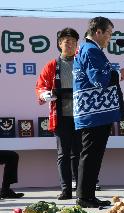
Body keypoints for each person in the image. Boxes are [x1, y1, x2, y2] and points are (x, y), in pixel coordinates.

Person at [73, 17, 124, 208]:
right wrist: (120, 74)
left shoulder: (90, 49)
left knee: (93, 155)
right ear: (97, 32)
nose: (110, 38)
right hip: (93, 113)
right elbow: (99, 79)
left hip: (96, 112)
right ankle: (84, 197)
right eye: (108, 33)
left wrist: (116, 74)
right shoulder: (90, 50)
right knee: (90, 154)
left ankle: (88, 195)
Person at [36, 28, 81, 200]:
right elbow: (40, 86)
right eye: (66, 41)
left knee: (78, 153)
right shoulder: (52, 65)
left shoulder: (81, 62)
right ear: (59, 44)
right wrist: (44, 94)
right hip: (60, 115)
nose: (70, 45)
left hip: (80, 115)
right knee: (63, 154)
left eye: (73, 42)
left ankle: (80, 189)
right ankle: (66, 190)